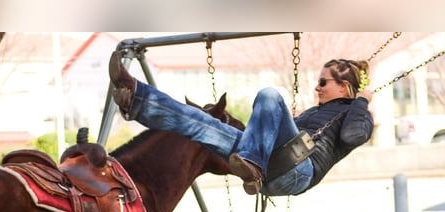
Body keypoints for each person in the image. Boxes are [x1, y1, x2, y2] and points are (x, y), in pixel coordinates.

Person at [108, 51, 374, 196]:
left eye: (323, 82)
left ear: (345, 87)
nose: (317, 87)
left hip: (298, 172)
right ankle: (138, 99)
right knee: (203, 123)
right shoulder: (314, 113)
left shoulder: (357, 114)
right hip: (269, 164)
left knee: (269, 95)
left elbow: (353, 137)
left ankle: (252, 166)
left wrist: (361, 101)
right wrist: (293, 119)